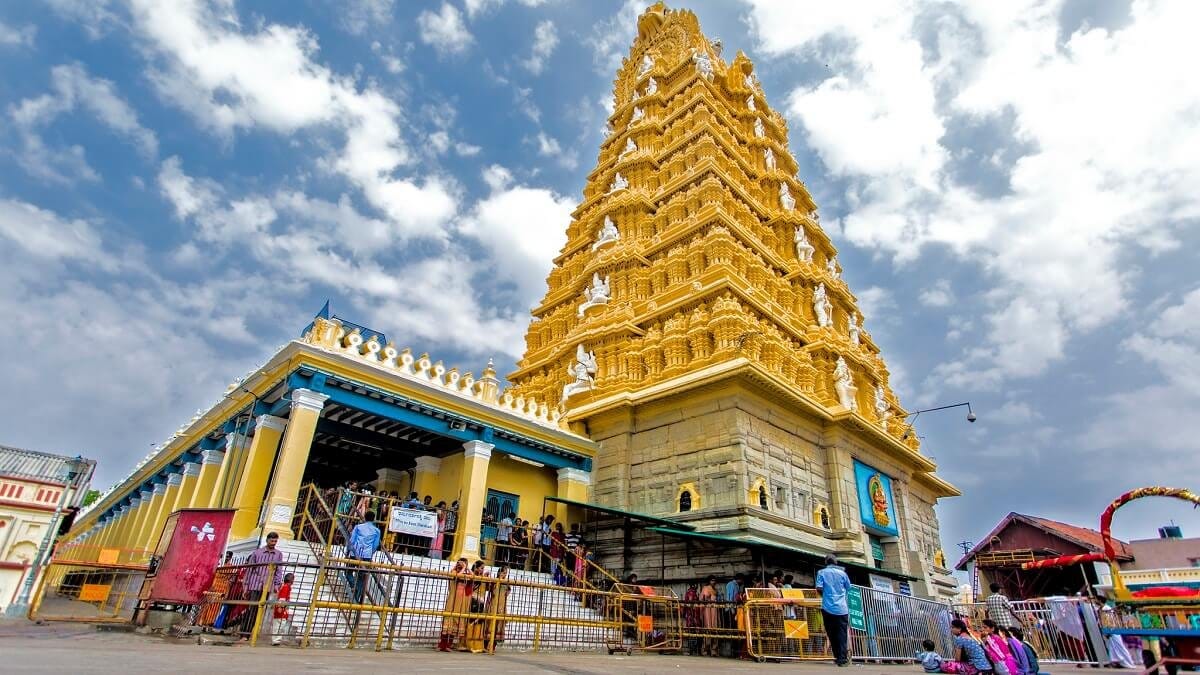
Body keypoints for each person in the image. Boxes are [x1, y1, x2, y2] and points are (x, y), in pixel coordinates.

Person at [237, 532, 285, 640]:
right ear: (267, 540)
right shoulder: (257, 553)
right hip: (255, 585)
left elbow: (279, 570)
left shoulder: (278, 554)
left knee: (258, 610)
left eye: (275, 541)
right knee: (251, 609)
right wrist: (246, 586)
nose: (273, 543)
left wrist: (277, 585)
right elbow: (249, 571)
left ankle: (248, 633)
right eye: (272, 541)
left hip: (267, 587)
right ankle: (245, 634)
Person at [816, 554, 852, 667]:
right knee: (842, 633)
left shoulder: (821, 573)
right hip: (842, 608)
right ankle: (842, 658)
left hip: (827, 607)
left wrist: (826, 596)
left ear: (826, 562)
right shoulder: (843, 573)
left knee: (831, 633)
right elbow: (848, 587)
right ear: (836, 562)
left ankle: (837, 657)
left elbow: (819, 588)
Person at [348, 510, 381, 603]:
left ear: (365, 518)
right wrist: (370, 553)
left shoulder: (358, 527)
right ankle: (356, 598)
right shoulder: (377, 531)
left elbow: (352, 540)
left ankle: (353, 585)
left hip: (355, 553)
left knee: (348, 572)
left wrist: (349, 550)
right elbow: (375, 545)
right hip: (367, 555)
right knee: (361, 577)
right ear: (374, 519)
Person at [438, 558, 471, 652]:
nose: (462, 565)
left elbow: (472, 577)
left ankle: (449, 644)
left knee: (455, 624)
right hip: (452, 601)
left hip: (460, 603)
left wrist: (467, 568)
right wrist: (462, 568)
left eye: (464, 564)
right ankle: (443, 645)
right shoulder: (453, 571)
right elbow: (457, 576)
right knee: (448, 622)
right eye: (461, 563)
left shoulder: (465, 574)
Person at [487, 566, 510, 650]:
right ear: (499, 573)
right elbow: (493, 592)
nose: (505, 575)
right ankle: (487, 644)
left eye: (506, 573)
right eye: (503, 573)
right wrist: (499, 581)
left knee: (499, 625)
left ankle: (493, 646)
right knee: (490, 624)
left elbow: (507, 593)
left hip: (502, 606)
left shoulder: (507, 583)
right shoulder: (495, 581)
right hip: (493, 605)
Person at [271, 572, 294, 646]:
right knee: (279, 624)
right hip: (281, 609)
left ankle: (277, 639)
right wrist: (281, 607)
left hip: (282, 608)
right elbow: (282, 598)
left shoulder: (285, 587)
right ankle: (276, 640)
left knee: (280, 624)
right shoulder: (286, 587)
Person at [699, 575, 720, 657]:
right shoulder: (706, 588)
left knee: (715, 629)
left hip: (714, 610)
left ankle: (714, 650)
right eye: (712, 580)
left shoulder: (715, 589)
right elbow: (702, 599)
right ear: (709, 581)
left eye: (714, 580)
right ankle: (705, 650)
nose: (713, 582)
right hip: (708, 610)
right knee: (708, 629)